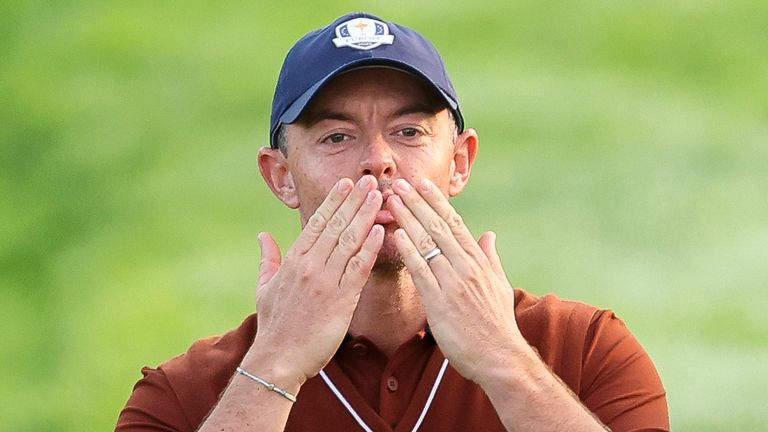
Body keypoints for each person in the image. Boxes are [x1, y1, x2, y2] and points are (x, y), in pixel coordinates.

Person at [116, 12, 668, 432]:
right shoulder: (182, 397)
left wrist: (503, 360)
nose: (377, 158)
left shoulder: (586, 350)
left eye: (408, 132)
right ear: (281, 176)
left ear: (459, 162)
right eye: (337, 136)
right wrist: (274, 368)